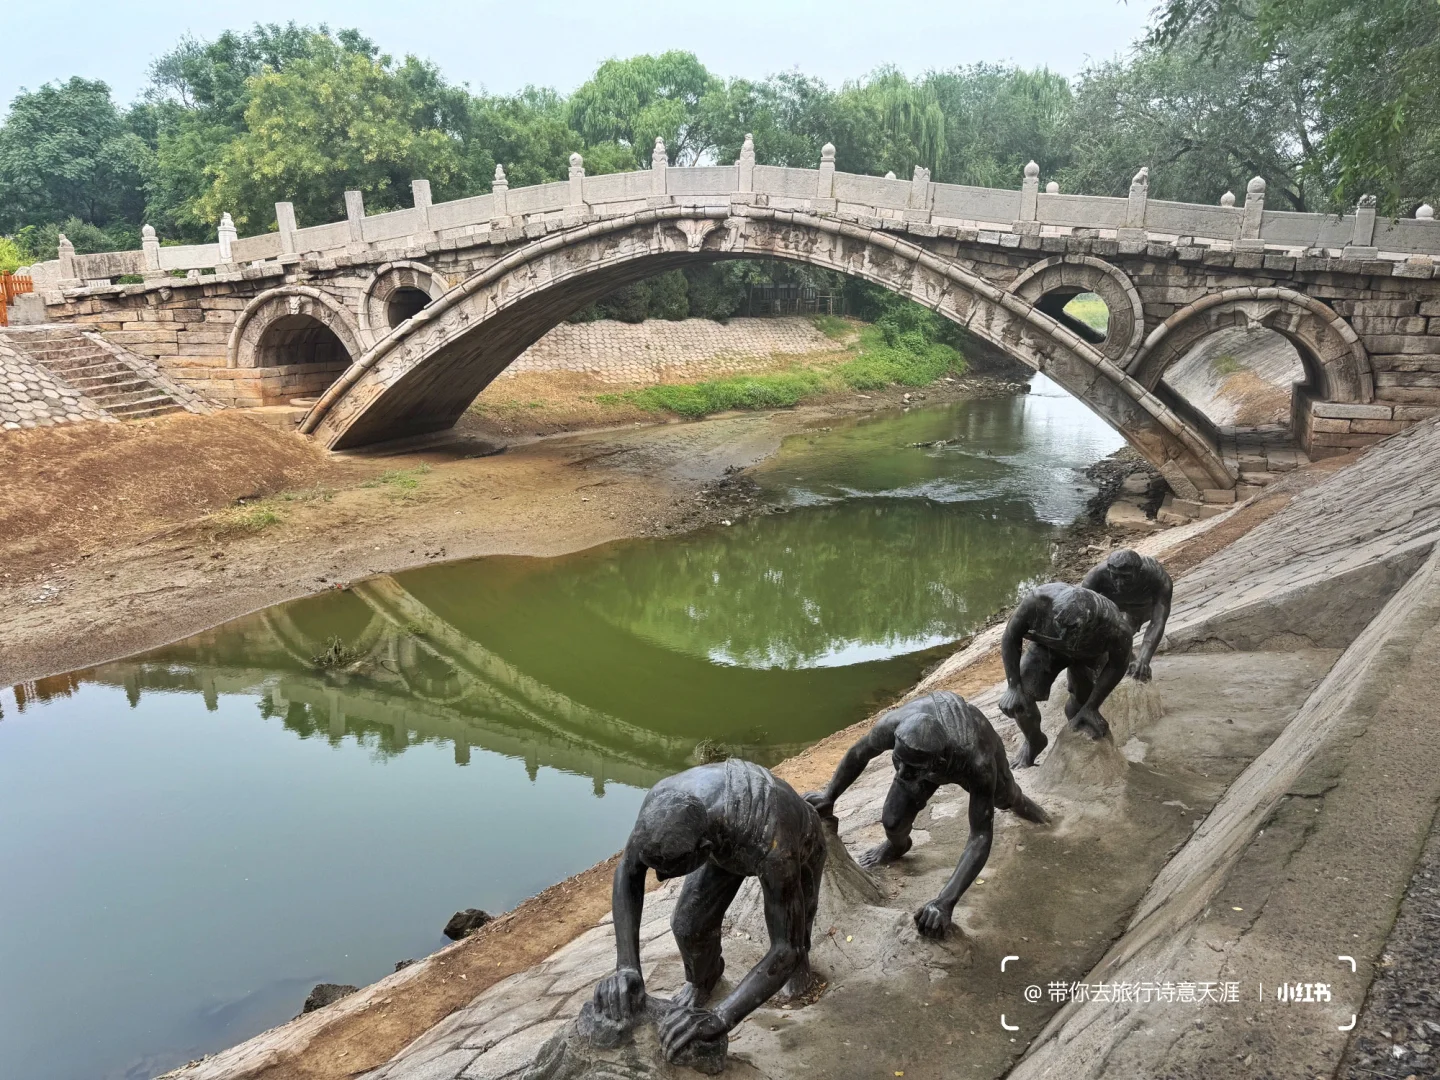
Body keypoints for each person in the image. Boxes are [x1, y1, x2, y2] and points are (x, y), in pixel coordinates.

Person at [592, 759, 826, 1062]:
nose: (660, 878)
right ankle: (705, 978)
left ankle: (801, 977)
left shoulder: (773, 846)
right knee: (688, 925)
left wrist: (720, 1018)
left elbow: (785, 947)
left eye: (668, 870)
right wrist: (627, 965)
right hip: (726, 839)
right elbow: (628, 871)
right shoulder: (661, 800)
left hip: (797, 840)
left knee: (797, 933)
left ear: (703, 851)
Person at [804, 691, 1047, 938]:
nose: (901, 774)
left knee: (1007, 797)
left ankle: (1038, 815)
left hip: (969, 748)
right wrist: (829, 796)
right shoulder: (894, 725)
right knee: (893, 822)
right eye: (898, 762)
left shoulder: (978, 761)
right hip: (927, 764)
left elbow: (981, 835)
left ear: (938, 761)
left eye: (910, 770)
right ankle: (897, 846)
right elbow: (859, 753)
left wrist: (945, 901)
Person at [997, 582, 1135, 767]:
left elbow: (1118, 665)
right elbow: (1010, 637)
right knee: (1019, 703)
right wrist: (1013, 686)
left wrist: (1092, 706)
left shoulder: (1117, 628)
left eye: (1074, 634)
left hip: (1090, 655)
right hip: (1047, 648)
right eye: (1062, 628)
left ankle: (1078, 742)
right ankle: (1034, 741)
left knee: (1082, 706)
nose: (1067, 637)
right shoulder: (1037, 601)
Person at [1080, 548, 1173, 683]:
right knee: (1104, 640)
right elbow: (1084, 611)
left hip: (1141, 609)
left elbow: (1158, 621)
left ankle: (1134, 663)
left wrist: (1144, 659)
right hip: (1110, 607)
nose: (1119, 583)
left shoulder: (1158, 578)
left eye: (1126, 577)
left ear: (1139, 572)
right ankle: (1126, 660)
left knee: (1126, 637)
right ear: (1109, 570)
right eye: (1115, 576)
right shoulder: (1096, 576)